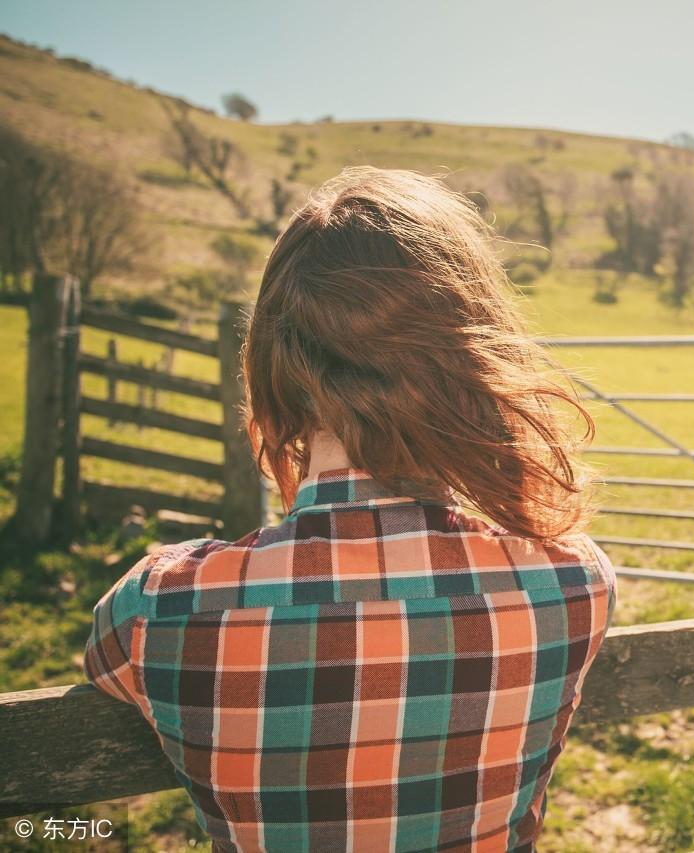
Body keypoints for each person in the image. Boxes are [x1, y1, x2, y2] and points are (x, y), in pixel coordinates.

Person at [83, 167, 616, 852]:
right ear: (466, 355)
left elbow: (99, 665)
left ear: (274, 367)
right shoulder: (574, 583)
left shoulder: (158, 606)